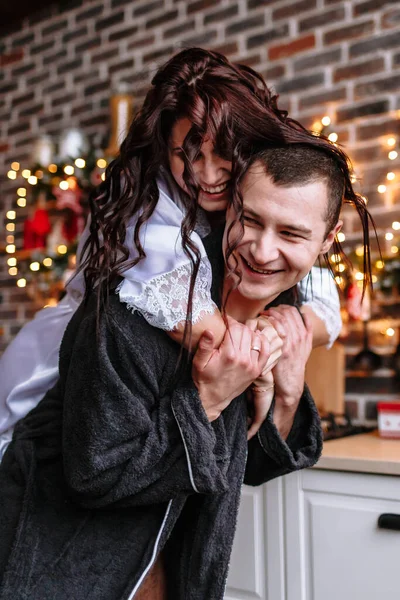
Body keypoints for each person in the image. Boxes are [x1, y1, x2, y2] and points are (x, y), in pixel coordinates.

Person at [0, 138, 372, 599]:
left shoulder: (281, 309)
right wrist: (209, 398)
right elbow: (95, 476)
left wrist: (289, 396)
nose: (261, 250)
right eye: (250, 220)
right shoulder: (135, 304)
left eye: (291, 234)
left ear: (328, 239)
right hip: (58, 563)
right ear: (231, 206)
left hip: (171, 574)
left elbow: (245, 467)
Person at [0, 48, 341, 459]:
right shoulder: (141, 204)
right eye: (187, 154)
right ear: (165, 146)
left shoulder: (257, 198)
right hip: (64, 363)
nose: (207, 175)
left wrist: (283, 327)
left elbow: (323, 304)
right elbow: (204, 329)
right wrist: (266, 363)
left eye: (223, 152)